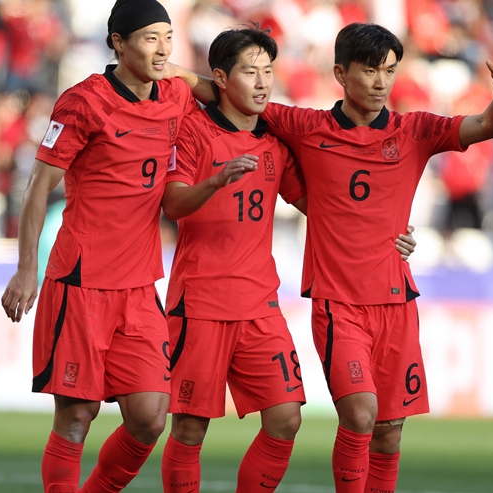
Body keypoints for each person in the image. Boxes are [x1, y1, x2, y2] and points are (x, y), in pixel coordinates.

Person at [173, 22, 493, 493]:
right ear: (341, 74)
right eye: (370, 71)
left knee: (388, 432)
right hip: (337, 305)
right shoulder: (305, 127)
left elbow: (490, 125)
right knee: (361, 414)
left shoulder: (416, 130)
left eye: (389, 71)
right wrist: (162, 67)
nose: (382, 82)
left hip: (396, 301)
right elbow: (233, 91)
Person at [161, 26, 416, 493]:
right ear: (222, 77)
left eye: (268, 71)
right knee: (190, 428)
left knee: (285, 419)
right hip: (199, 301)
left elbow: (332, 208)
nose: (262, 82)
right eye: (249, 72)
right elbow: (172, 206)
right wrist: (215, 182)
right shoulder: (194, 131)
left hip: (261, 305)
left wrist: (392, 235)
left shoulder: (276, 142)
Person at [0, 1, 200, 492]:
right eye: (149, 37)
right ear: (118, 42)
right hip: (80, 282)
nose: (162, 47)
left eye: (167, 36)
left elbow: (220, 89)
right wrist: (27, 269)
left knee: (151, 417)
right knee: (76, 418)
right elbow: (38, 186)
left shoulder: (174, 94)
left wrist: (173, 65)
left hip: (138, 287)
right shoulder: (83, 101)